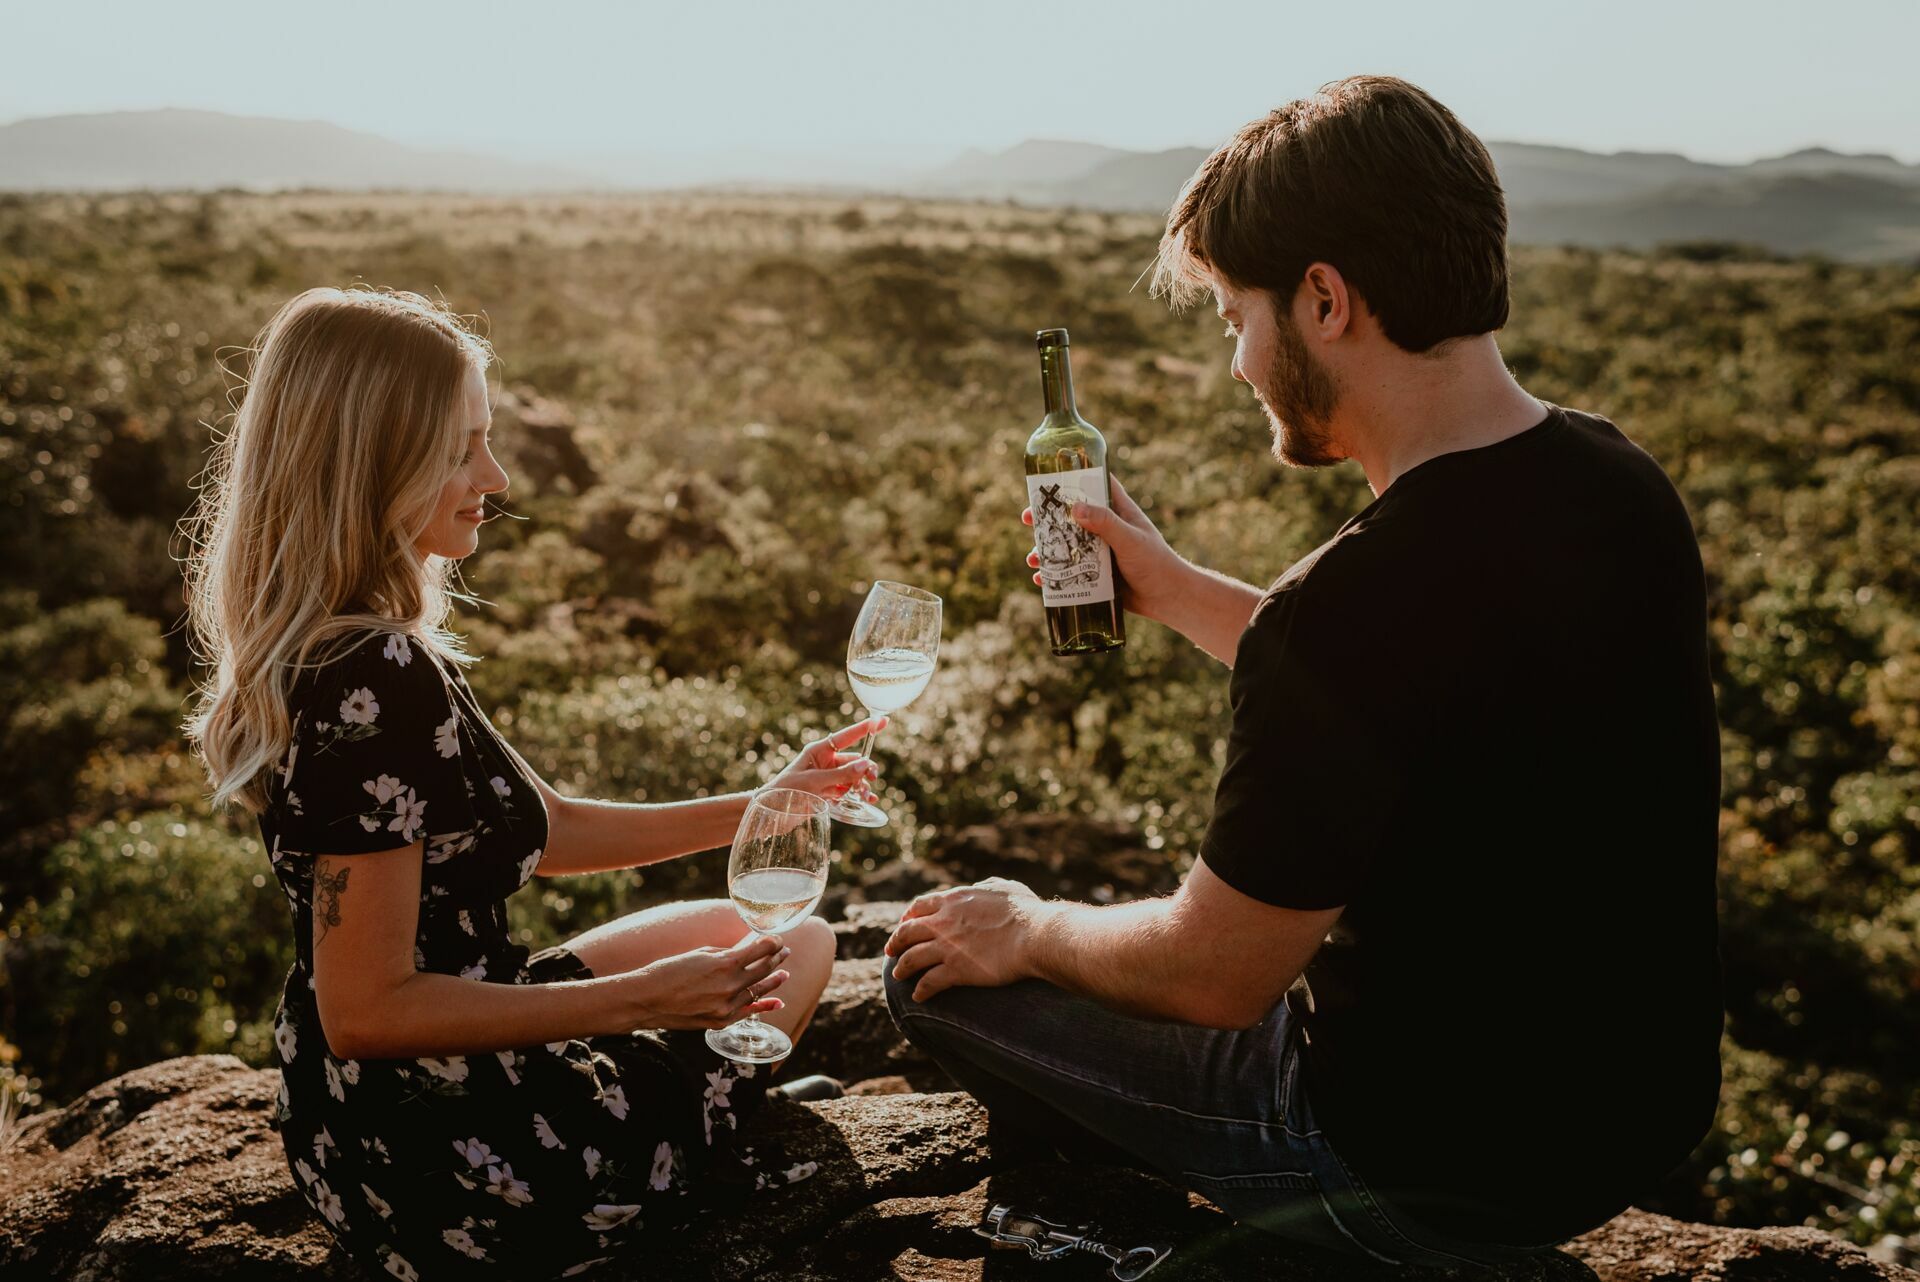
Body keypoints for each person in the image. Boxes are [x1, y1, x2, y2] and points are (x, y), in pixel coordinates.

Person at [882, 75, 1724, 1269]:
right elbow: (1408, 695)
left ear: (1325, 299)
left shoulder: (1352, 605)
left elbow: (1209, 974)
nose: (1237, 361)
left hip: (1410, 1165)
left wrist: (1026, 926)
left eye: (1237, 315)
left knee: (931, 974)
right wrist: (1168, 584)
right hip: (1625, 1127)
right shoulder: (1616, 483)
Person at [182, 286, 880, 1280]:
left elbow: (544, 828)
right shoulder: (375, 677)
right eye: (462, 448)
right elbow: (369, 1007)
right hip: (453, 1143)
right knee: (797, 950)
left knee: (771, 936)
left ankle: (721, 1099)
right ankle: (708, 1141)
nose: (494, 477)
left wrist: (774, 799)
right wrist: (641, 999)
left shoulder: (342, 648)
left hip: (358, 1109)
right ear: (378, 459)